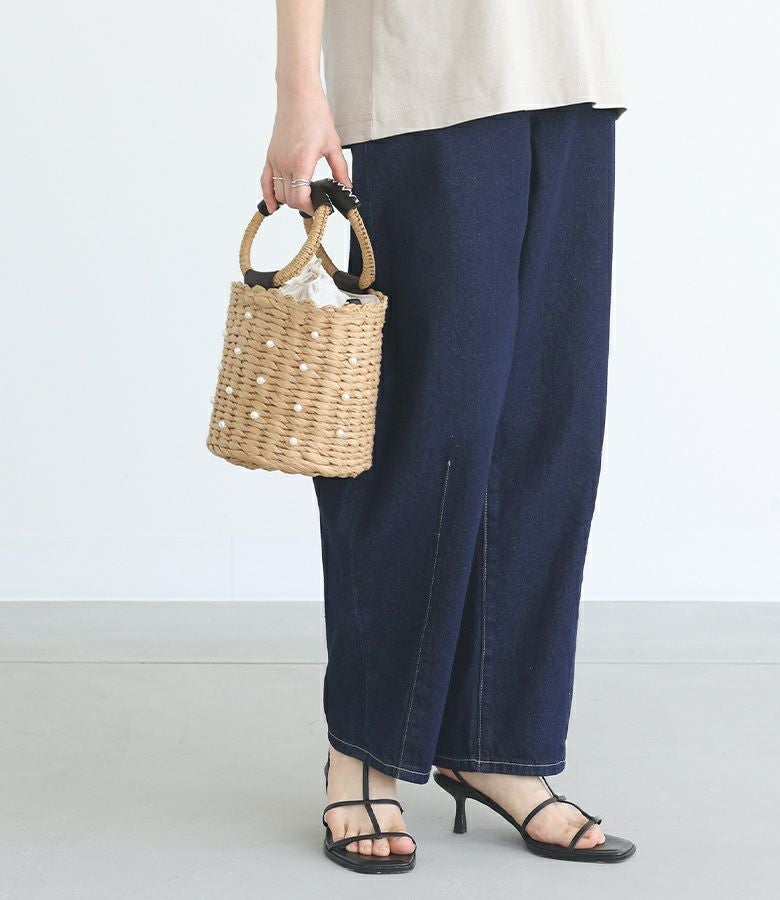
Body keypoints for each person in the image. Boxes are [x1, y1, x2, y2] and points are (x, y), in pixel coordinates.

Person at [262, 0, 635, 873]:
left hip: (571, 72)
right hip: (423, 80)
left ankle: (497, 744)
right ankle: (363, 750)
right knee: (422, 436)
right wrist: (298, 89)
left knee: (547, 433)